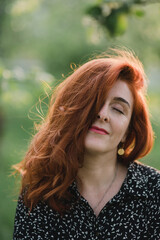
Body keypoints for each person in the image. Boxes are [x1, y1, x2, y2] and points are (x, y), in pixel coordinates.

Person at [13, 49, 160, 240]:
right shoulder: (40, 193)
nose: (103, 114)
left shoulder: (155, 191)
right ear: (72, 111)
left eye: (117, 109)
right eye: (94, 102)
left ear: (128, 132)